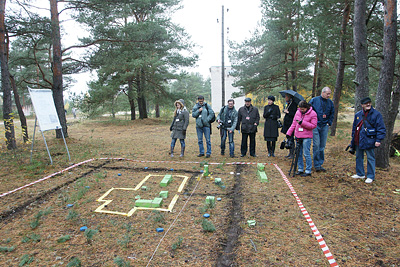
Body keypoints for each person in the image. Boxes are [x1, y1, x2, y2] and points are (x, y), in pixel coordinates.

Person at [350, 97, 386, 184]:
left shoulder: (376, 114)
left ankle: (370, 176)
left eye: (369, 103)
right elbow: (354, 128)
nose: (368, 104)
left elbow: (381, 128)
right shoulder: (358, 114)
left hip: (370, 140)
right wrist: (353, 139)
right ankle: (360, 173)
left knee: (370, 158)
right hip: (359, 140)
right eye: (366, 103)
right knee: (359, 157)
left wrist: (378, 140)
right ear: (362, 105)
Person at [286, 101, 318, 177]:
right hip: (298, 135)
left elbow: (313, 125)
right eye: (300, 109)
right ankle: (300, 169)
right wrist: (289, 133)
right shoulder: (298, 112)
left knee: (306, 153)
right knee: (298, 153)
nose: (301, 110)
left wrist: (302, 123)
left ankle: (308, 170)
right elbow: (294, 123)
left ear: (306, 108)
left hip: (307, 137)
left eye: (303, 109)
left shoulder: (313, 113)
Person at [309, 87, 335, 172]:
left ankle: (320, 164)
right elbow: (308, 111)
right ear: (323, 93)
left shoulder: (330, 102)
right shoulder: (314, 100)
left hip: (325, 125)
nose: (329, 95)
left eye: (329, 94)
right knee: (316, 144)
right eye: (327, 93)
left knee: (322, 146)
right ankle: (316, 164)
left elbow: (332, 113)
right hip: (315, 125)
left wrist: (329, 123)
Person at [281, 94, 298, 158]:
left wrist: (288, 112)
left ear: (289, 97)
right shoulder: (288, 104)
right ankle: (289, 152)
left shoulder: (294, 104)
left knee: (291, 139)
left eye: (286, 97)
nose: (285, 98)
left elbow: (294, 114)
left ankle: (292, 153)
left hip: (291, 124)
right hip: (287, 123)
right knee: (288, 138)